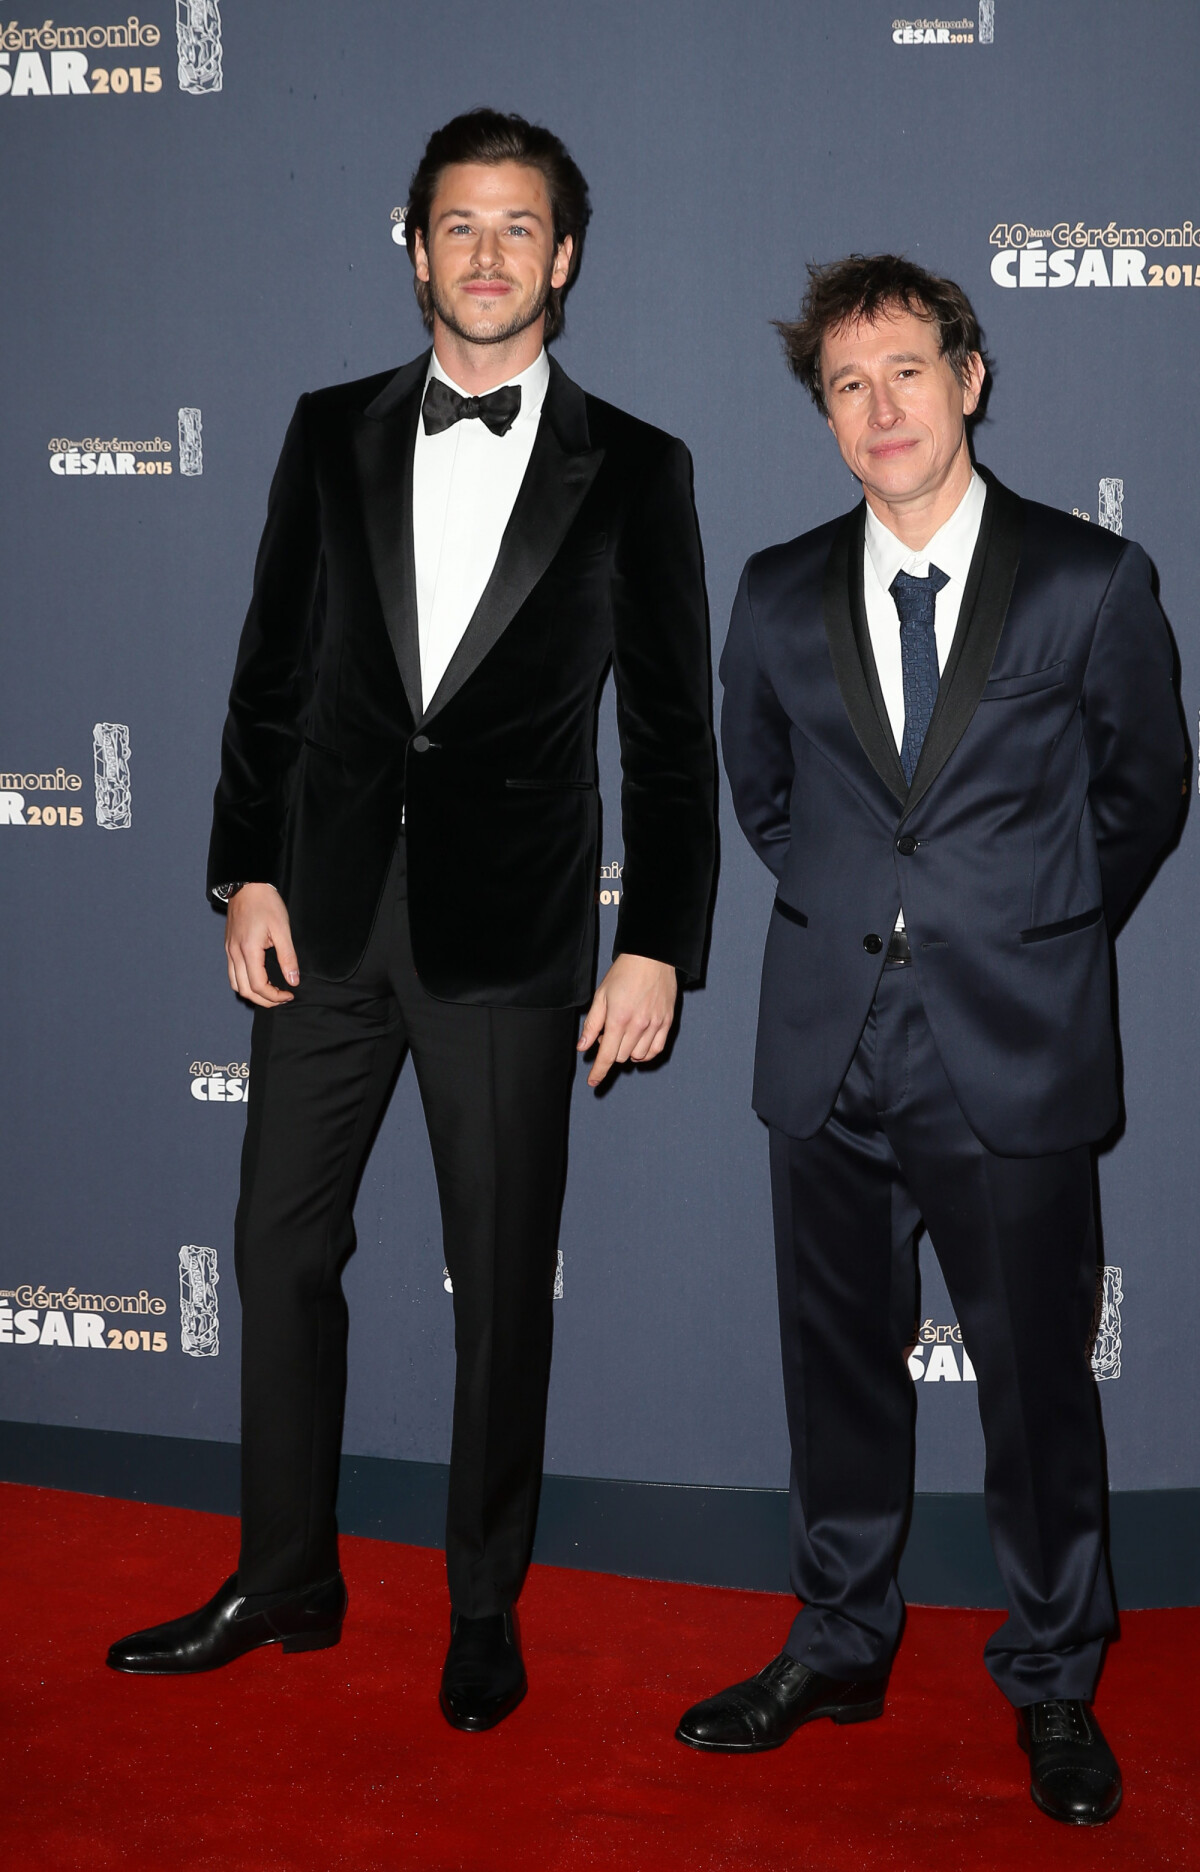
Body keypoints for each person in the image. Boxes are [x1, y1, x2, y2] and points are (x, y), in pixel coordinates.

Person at [108, 109, 716, 1732]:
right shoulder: (328, 433)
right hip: (321, 923)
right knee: (276, 1244)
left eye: (520, 227)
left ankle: (482, 1600)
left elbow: (670, 735)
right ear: (416, 245)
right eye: (461, 225)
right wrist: (242, 869)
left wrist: (656, 937)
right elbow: (271, 676)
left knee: (500, 1281)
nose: (489, 254)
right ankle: (288, 1574)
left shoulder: (639, 468)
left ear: (564, 257)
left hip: (513, 939)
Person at [678, 254, 1183, 1824]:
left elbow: (1144, 795)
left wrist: (1021, 923)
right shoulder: (771, 591)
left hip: (1011, 1049)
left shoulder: (1090, 579)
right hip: (826, 1052)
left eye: (907, 370)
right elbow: (764, 800)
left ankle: (1052, 1679)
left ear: (969, 377)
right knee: (836, 1376)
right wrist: (862, 921)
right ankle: (840, 1639)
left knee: (1038, 1387)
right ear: (824, 416)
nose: (880, 406)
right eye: (847, 384)